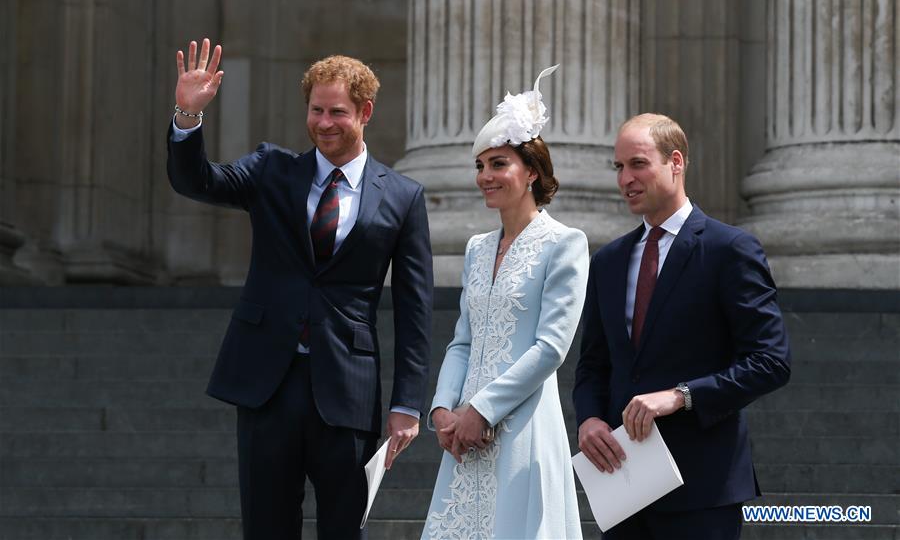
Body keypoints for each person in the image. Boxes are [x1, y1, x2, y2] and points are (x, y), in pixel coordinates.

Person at [166, 38, 433, 539]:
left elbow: (415, 310)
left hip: (347, 389)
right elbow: (197, 181)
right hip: (267, 382)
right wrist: (187, 116)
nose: (324, 123)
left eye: (337, 112)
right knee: (266, 528)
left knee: (341, 530)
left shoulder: (402, 196)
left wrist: (407, 404)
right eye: (316, 111)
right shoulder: (272, 169)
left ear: (365, 112)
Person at [573, 113, 791, 539]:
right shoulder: (607, 262)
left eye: (638, 164)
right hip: (623, 485)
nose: (625, 180)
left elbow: (771, 360)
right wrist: (588, 420)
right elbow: (592, 365)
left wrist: (681, 396)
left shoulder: (730, 249)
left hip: (703, 487)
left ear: (676, 162)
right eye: (619, 168)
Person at [422, 66, 587, 539]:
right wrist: (442, 410)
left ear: (532, 171)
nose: (484, 176)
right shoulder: (476, 247)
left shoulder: (565, 242)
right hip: (464, 437)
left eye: (498, 164)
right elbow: (462, 341)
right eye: (480, 165)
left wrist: (482, 410)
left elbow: (552, 348)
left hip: (524, 430)